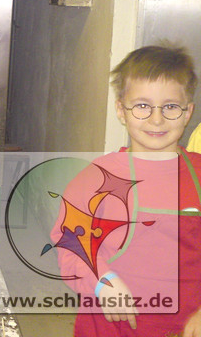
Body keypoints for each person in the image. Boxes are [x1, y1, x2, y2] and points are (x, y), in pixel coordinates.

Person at [51, 44, 201, 337]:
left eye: (170, 106)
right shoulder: (96, 178)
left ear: (187, 112)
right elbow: (70, 242)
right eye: (142, 105)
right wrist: (100, 279)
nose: (156, 119)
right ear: (122, 110)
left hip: (183, 328)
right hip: (107, 327)